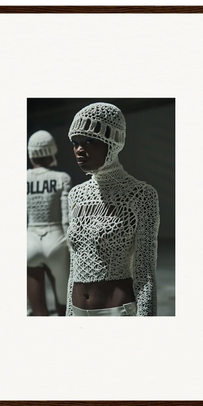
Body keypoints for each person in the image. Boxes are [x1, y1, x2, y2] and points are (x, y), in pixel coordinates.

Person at [65, 102, 160, 316]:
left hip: (116, 311)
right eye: (75, 142)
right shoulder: (76, 195)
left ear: (113, 142)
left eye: (90, 141)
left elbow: (144, 271)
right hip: (78, 309)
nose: (80, 149)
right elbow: (74, 265)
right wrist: (69, 313)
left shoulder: (140, 194)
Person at [27, 130, 72, 316]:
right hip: (57, 241)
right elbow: (66, 219)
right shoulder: (62, 178)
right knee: (64, 305)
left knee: (38, 313)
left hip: (30, 241)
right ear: (51, 151)